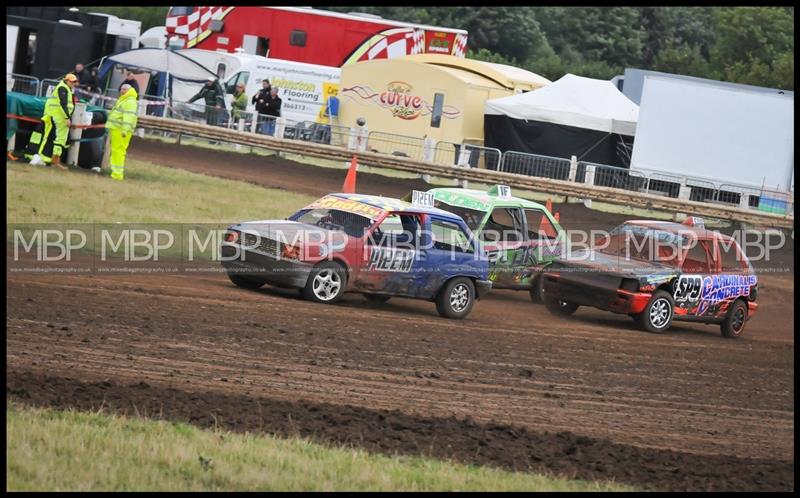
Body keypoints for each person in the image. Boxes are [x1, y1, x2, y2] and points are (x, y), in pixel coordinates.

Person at [28, 73, 78, 170]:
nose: (74, 83)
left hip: (60, 117)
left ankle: (54, 161)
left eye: (75, 82)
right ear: (66, 80)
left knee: (60, 140)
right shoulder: (62, 88)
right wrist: (67, 118)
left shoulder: (67, 89)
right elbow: (62, 104)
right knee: (54, 139)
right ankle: (42, 158)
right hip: (58, 117)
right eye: (72, 82)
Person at [105, 84, 139, 181]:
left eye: (124, 89)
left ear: (129, 90)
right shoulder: (124, 99)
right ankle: (115, 172)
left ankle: (117, 174)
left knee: (118, 152)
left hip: (121, 131)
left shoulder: (130, 102)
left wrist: (125, 130)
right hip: (117, 129)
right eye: (121, 89)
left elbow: (129, 117)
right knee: (116, 151)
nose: (122, 91)